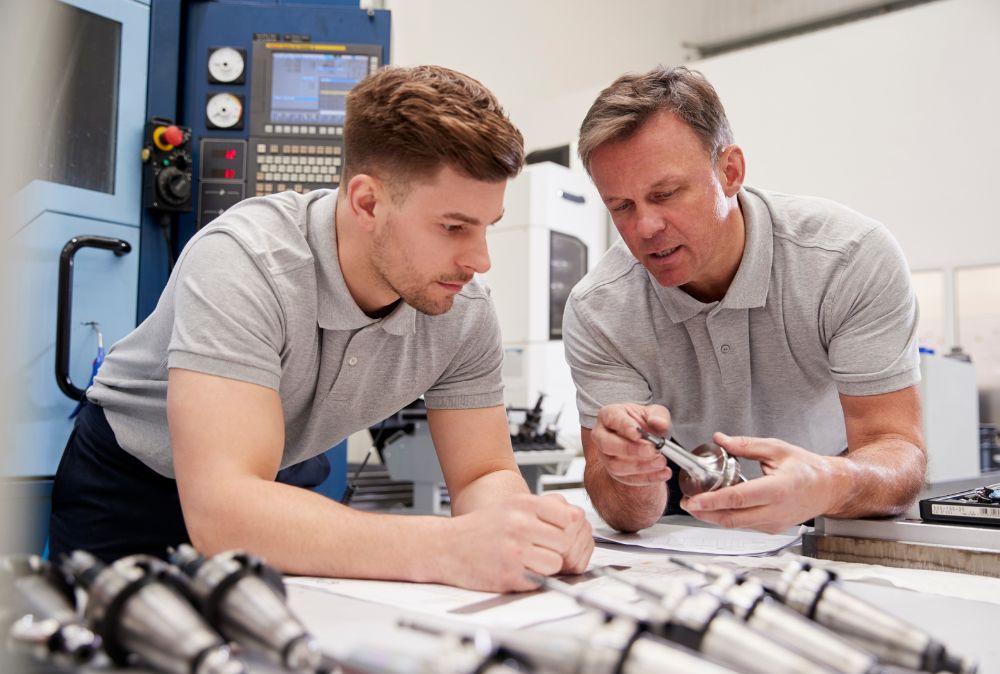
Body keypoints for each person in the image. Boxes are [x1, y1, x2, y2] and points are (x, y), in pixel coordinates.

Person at [49, 65, 593, 592]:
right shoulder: (245, 261)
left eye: (486, 228)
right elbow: (226, 515)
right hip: (133, 484)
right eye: (453, 227)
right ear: (367, 202)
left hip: (268, 485)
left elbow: (481, 475)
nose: (480, 260)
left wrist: (528, 531)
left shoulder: (464, 310)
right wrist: (448, 546)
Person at [563, 66, 926, 534]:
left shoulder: (848, 258)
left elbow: (896, 450)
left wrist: (826, 483)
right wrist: (627, 473)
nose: (645, 228)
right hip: (695, 528)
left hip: (840, 510)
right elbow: (623, 513)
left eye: (666, 194)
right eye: (622, 207)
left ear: (730, 172)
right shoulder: (600, 309)